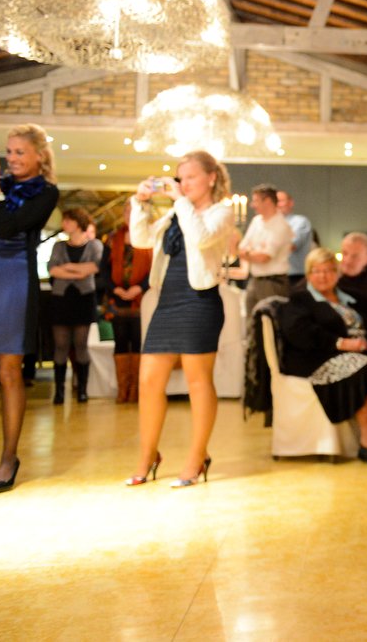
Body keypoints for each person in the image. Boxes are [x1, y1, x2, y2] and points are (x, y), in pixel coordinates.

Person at [127, 151, 235, 489]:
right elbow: (140, 239)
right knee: (149, 381)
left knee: (197, 382)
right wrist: (141, 204)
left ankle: (196, 458)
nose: (182, 183)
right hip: (167, 301)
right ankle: (147, 456)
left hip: (200, 301)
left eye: (189, 177)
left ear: (211, 178)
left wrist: (181, 203)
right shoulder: (178, 210)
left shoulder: (223, 211)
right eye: (180, 178)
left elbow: (201, 237)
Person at [278, 248, 367, 465]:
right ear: (308, 274)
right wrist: (342, 343)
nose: (323, 276)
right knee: (366, 371)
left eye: (329, 270)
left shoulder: (353, 297)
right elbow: (300, 332)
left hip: (363, 353)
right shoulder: (300, 300)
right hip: (320, 357)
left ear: (337, 273)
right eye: (317, 271)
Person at [0, 124, 59, 493]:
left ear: (39, 156)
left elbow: (7, 227)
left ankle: (8, 457)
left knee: (9, 370)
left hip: (13, 280)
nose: (12, 158)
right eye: (9, 151)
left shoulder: (46, 193)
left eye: (20, 152)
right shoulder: (2, 186)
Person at [47, 208, 103, 405]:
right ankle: (60, 391)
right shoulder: (58, 246)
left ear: (77, 222)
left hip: (83, 299)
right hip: (61, 299)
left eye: (68, 220)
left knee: (81, 344)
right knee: (61, 344)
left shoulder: (94, 245)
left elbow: (93, 267)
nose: (64, 224)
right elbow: (53, 269)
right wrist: (78, 271)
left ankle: (82, 389)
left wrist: (67, 268)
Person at [101, 201, 153, 403]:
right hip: (118, 299)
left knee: (139, 342)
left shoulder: (150, 238)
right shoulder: (112, 239)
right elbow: (103, 269)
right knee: (121, 343)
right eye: (127, 212)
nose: (129, 215)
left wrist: (138, 288)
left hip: (141, 299)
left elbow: (154, 269)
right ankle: (123, 390)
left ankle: (138, 390)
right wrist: (116, 289)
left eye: (134, 212)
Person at [237, 184, 293, 317]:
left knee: (270, 324)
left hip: (273, 283)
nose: (252, 205)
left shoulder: (281, 225)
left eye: (256, 201)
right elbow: (240, 249)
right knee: (251, 323)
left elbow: (264, 257)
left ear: (267, 201)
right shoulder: (256, 221)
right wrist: (252, 253)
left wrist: (249, 253)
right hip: (255, 280)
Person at [276, 190, 313, 287]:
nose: (278, 204)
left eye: (281, 201)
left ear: (291, 203)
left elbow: (291, 245)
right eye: (275, 201)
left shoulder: (299, 222)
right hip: (275, 276)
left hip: (295, 276)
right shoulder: (270, 224)